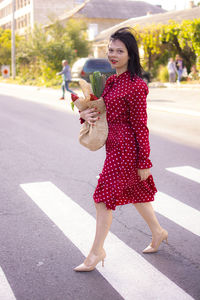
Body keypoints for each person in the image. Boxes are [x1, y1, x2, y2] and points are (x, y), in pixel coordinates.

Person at [74, 27, 168, 272]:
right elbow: (100, 114)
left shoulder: (136, 86)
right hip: (112, 145)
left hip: (126, 149)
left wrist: (144, 161)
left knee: (102, 199)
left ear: (130, 55)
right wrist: (83, 113)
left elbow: (140, 126)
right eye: (111, 50)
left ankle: (96, 252)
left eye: (120, 51)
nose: (113, 55)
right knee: (137, 193)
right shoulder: (111, 82)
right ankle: (158, 232)